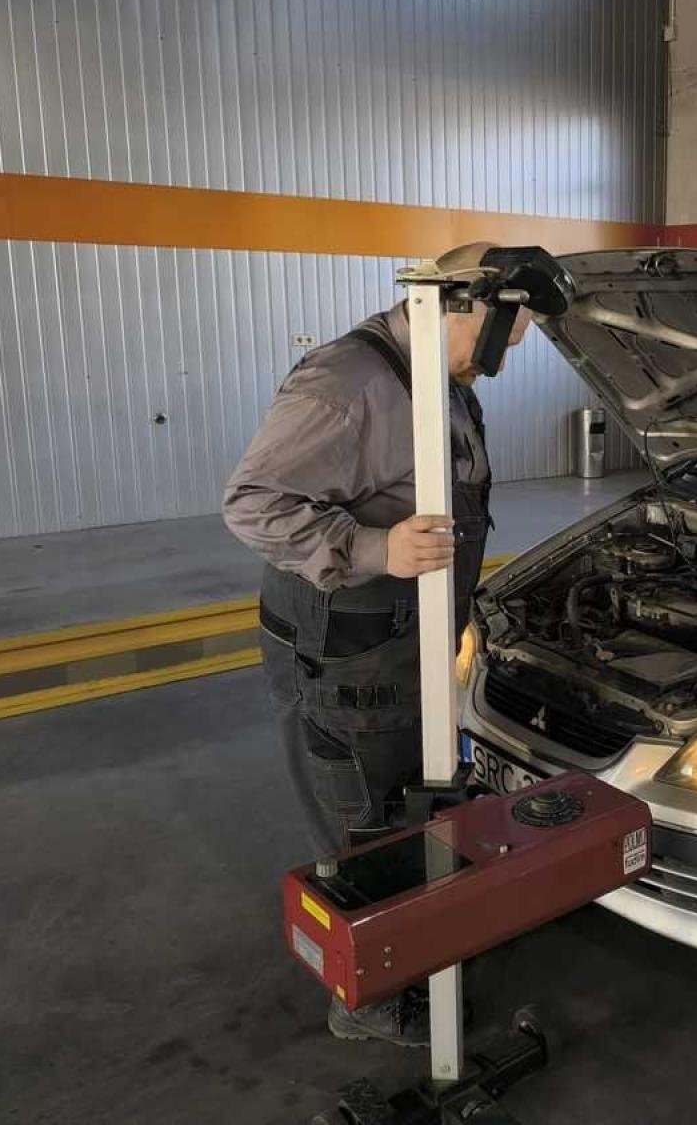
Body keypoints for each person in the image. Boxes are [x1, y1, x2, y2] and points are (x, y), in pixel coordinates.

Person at [222, 240, 533, 1046]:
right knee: (362, 826)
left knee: (403, 809)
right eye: (507, 333)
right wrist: (374, 548)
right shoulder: (349, 383)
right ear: (462, 305)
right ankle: (367, 1002)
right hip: (346, 648)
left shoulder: (440, 377)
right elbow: (253, 504)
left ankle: (411, 947)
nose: (510, 354)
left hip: (403, 637)